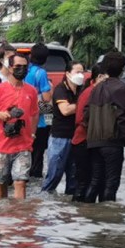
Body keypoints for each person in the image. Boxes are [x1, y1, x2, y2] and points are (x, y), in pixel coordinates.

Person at [83, 51, 125, 203]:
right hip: (112, 142)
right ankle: (108, 217)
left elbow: (86, 114)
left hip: (94, 141)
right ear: (122, 69)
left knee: (95, 181)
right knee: (111, 182)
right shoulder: (121, 88)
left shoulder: (96, 88)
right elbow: (123, 118)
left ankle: (86, 213)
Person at [0, 50, 40, 199]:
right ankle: (3, 213)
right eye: (18, 66)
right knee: (1, 182)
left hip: (24, 145)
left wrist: (32, 134)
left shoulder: (31, 91)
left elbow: (35, 113)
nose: (22, 69)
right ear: (10, 67)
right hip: (1, 145)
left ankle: (19, 216)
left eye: (25, 66)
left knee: (21, 182)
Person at [41, 61, 84, 194]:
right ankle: (44, 201)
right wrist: (83, 105)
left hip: (75, 137)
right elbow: (65, 110)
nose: (81, 75)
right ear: (68, 74)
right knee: (54, 175)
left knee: (74, 177)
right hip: (59, 138)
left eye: (82, 72)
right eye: (77, 72)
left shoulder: (80, 90)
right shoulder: (61, 89)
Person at [69, 64, 102, 202]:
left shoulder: (91, 92)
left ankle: (82, 216)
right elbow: (81, 119)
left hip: (85, 141)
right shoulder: (90, 93)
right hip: (82, 141)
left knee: (87, 180)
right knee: (84, 182)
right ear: (99, 77)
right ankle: (80, 212)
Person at [25, 43, 54, 179]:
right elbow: (47, 98)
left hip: (24, 119)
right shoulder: (40, 73)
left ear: (31, 56)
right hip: (40, 122)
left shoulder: (25, 71)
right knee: (38, 154)